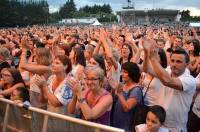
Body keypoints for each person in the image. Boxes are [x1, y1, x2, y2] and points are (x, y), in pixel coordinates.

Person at [143, 39, 196, 132]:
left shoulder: (190, 80)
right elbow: (147, 69)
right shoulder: (168, 70)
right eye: (172, 61)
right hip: (159, 124)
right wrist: (146, 52)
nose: (174, 64)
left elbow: (167, 81)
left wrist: (153, 58)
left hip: (175, 128)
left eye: (179, 62)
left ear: (187, 64)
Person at [112, 62, 143, 131]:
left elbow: (127, 108)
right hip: (117, 122)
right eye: (122, 71)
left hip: (127, 126)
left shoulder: (136, 90)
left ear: (132, 73)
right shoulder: (123, 85)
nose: (122, 74)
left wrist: (119, 94)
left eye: (125, 72)